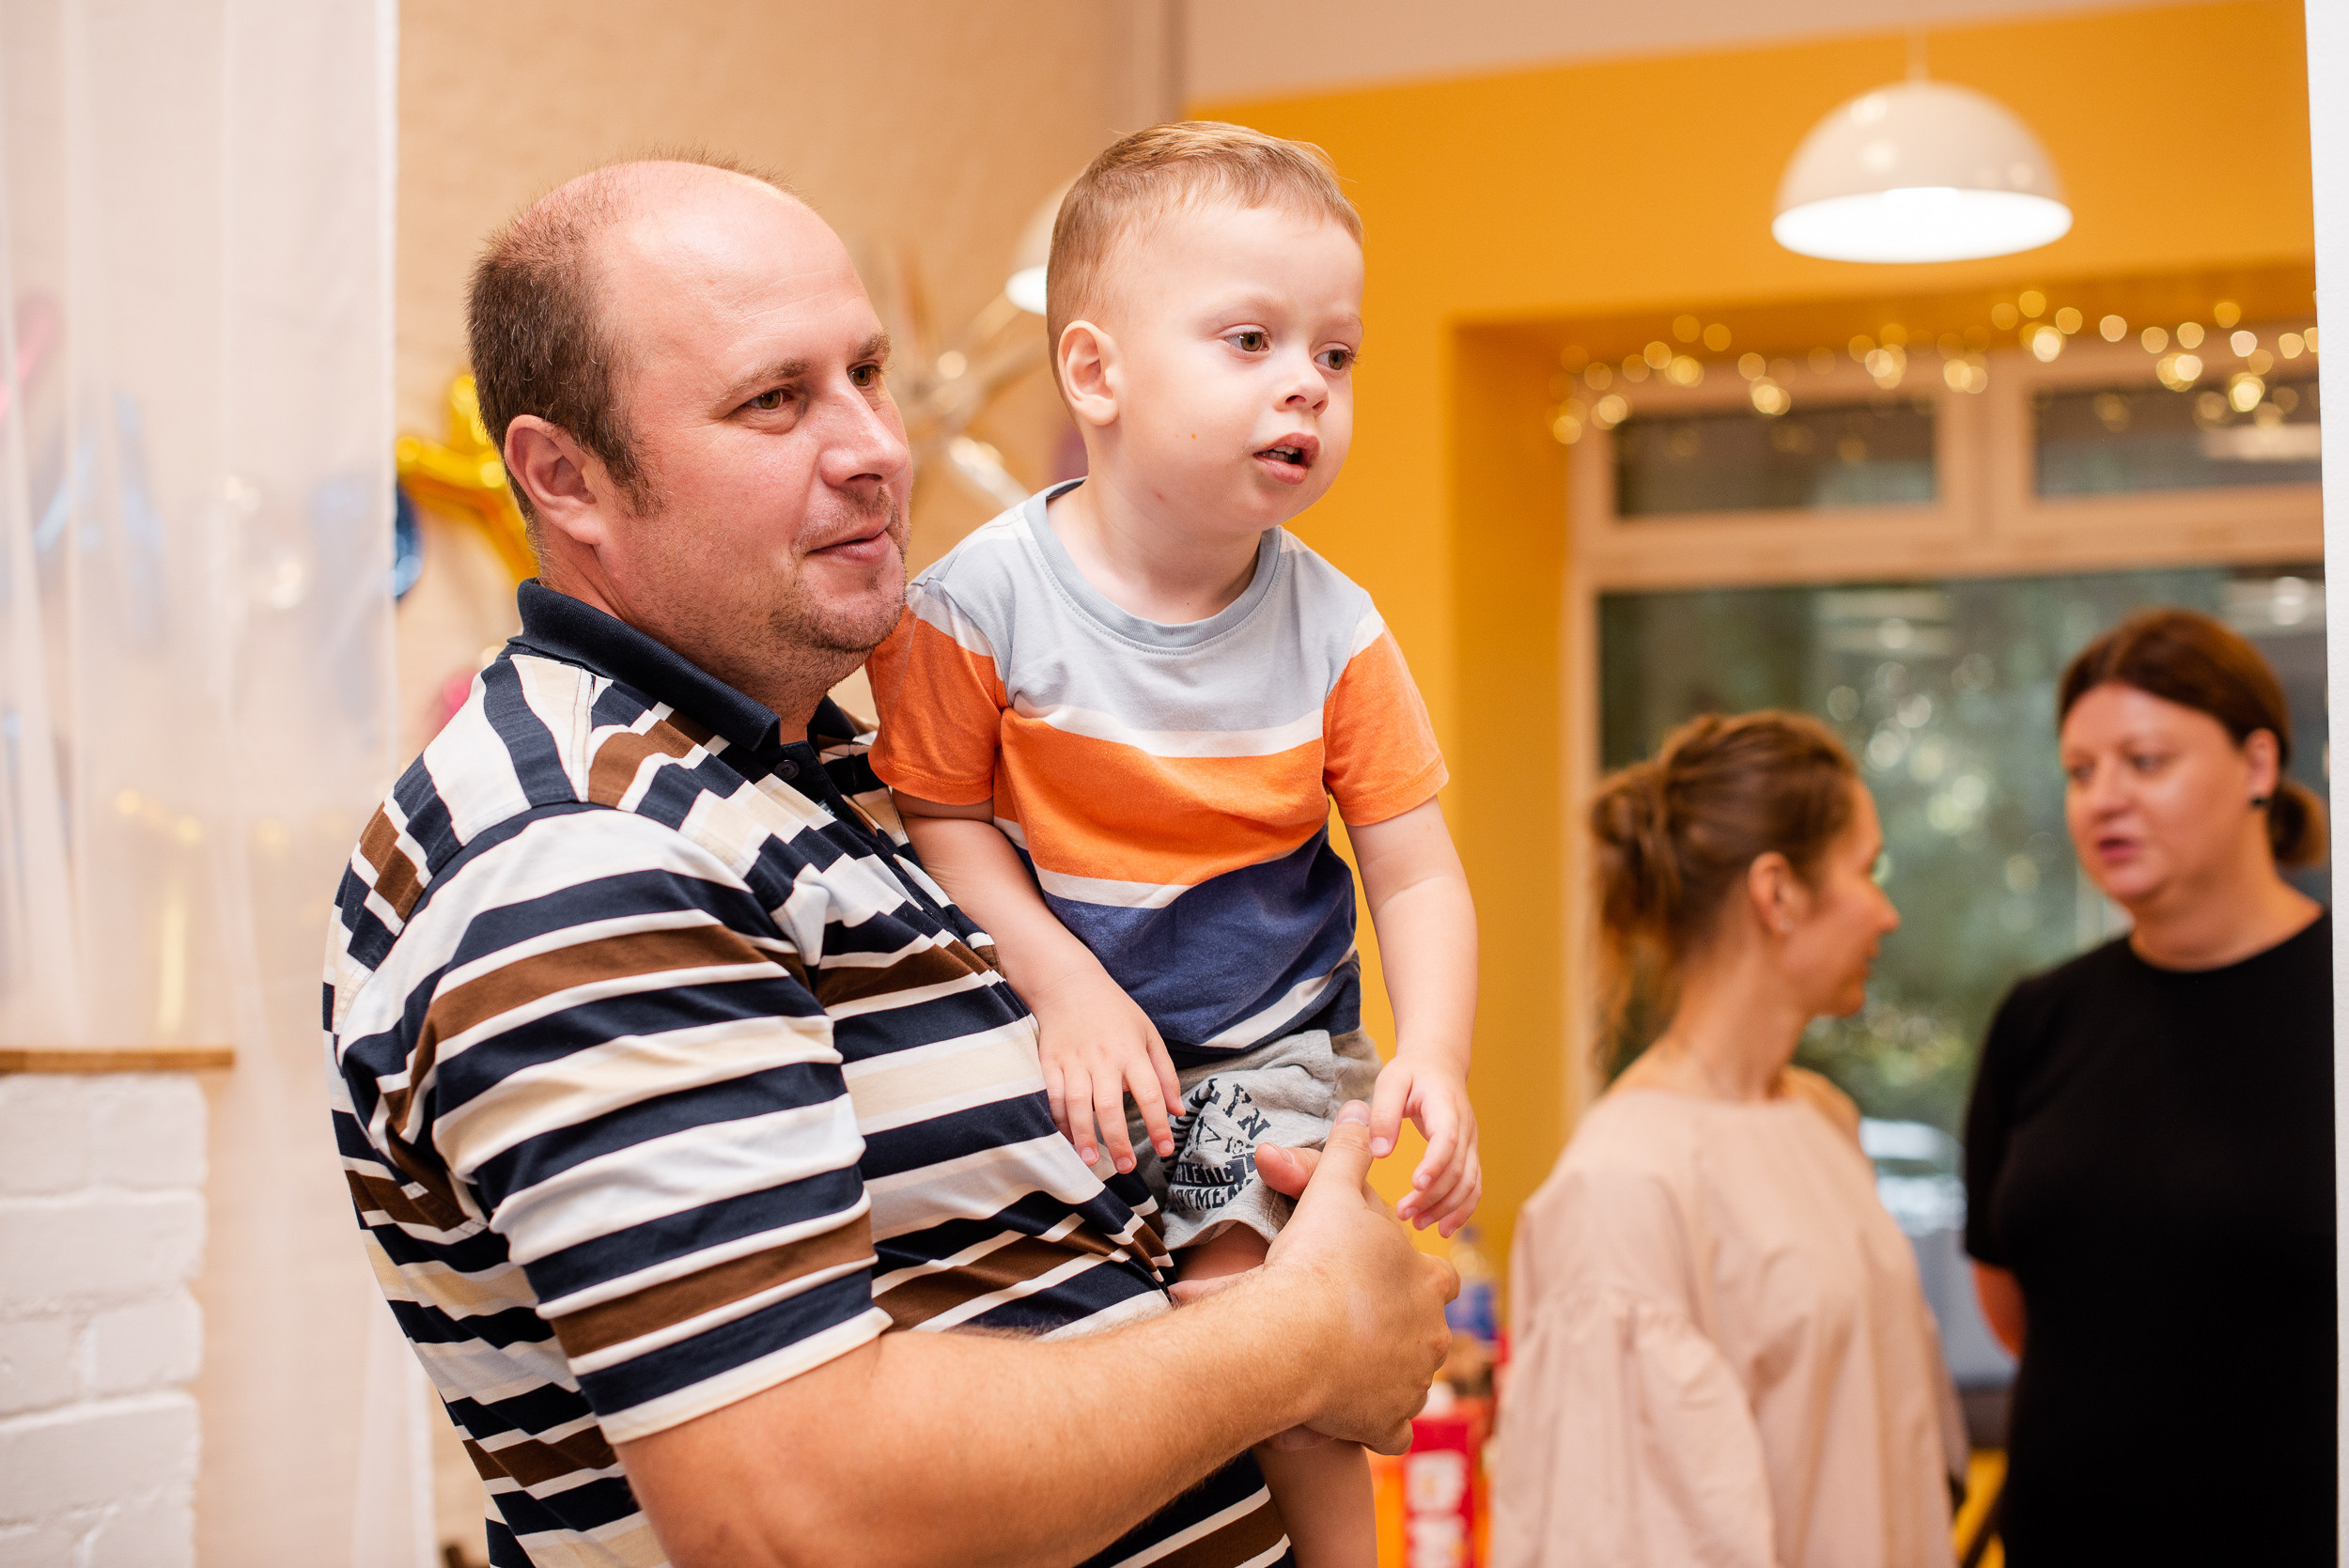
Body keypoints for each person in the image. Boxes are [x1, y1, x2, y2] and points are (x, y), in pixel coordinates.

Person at [323, 155, 1455, 1568]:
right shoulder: (574, 855)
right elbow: (794, 1515)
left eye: (866, 371)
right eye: (774, 400)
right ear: (568, 478)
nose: (873, 443)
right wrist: (1304, 1344)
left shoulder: (848, 773)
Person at [865, 123, 1480, 1567]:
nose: (1304, 386)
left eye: (1336, 355)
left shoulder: (1337, 628)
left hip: (1264, 1039)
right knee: (1043, 1336)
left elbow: (1414, 862)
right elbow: (939, 818)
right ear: (1097, 375)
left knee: (1248, 1302)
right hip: (1059, 1032)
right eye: (1252, 338)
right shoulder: (978, 605)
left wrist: (1433, 1052)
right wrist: (1065, 985)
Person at [1489, 711, 1964, 1568]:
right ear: (1777, 892)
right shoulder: (1624, 1182)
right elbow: (1616, 1536)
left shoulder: (1823, 1118)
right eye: (1868, 869)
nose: (1886, 912)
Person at [1963, 607, 2332, 1563]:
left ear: (2256, 766)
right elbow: (2015, 1307)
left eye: (2145, 760)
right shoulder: (2040, 1019)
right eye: (2080, 772)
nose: (2102, 799)